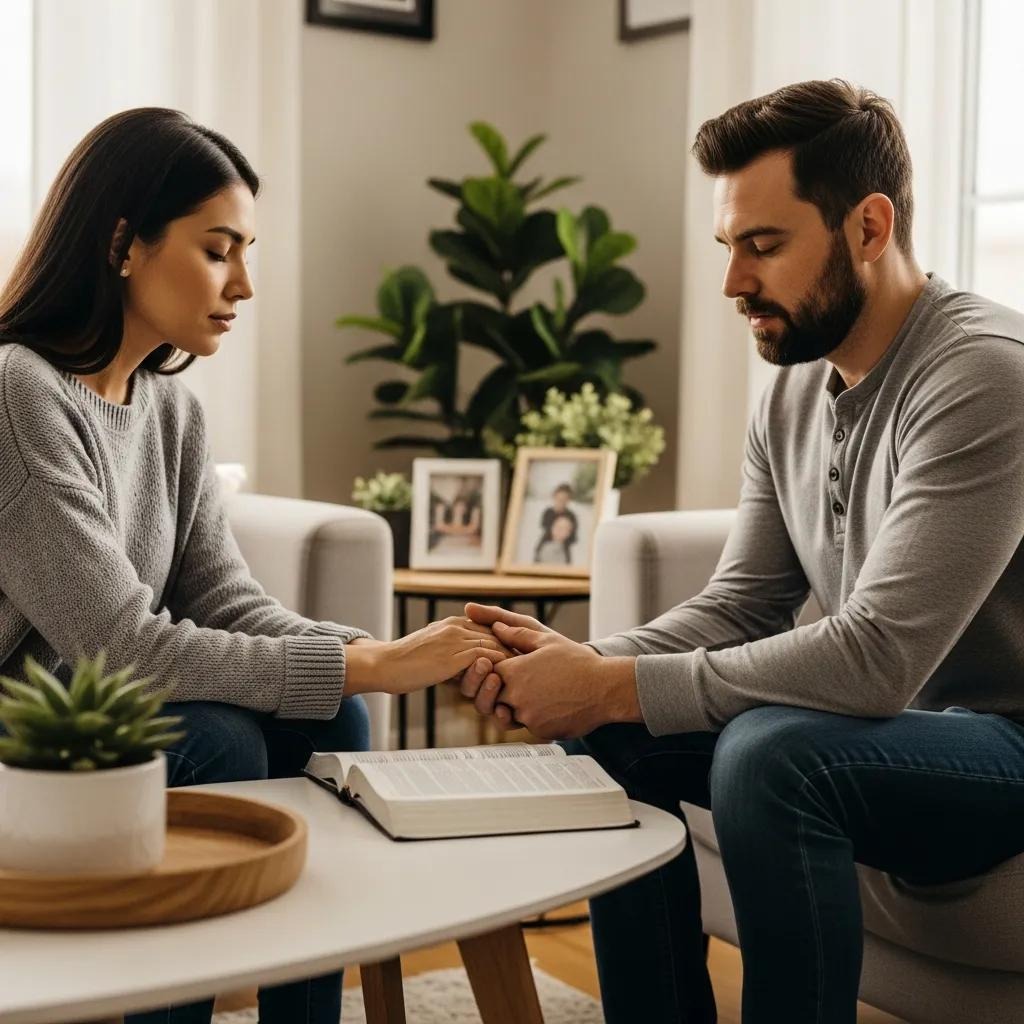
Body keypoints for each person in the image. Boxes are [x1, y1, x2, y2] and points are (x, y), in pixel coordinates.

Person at [457, 79, 1024, 1023]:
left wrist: (606, 682)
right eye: (729, 246)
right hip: (886, 738)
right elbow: (743, 602)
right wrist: (583, 666)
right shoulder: (796, 387)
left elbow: (878, 659)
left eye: (763, 246)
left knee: (770, 754)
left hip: (1001, 746)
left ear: (870, 228)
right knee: (611, 730)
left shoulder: (984, 376)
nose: (733, 281)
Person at [0, 107, 508, 1024]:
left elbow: (225, 598)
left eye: (247, 251)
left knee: (337, 715)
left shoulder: (169, 410)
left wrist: (380, 654)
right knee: (217, 738)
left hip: (100, 731)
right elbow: (122, 649)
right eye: (218, 249)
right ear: (123, 243)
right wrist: (375, 663)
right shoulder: (16, 392)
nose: (243, 283)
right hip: (21, 743)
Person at [533, 483, 578, 563]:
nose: (561, 502)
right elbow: (544, 527)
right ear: (554, 497)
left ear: (568, 500)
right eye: (559, 499)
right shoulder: (548, 512)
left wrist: (563, 537)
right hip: (545, 543)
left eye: (564, 499)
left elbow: (573, 537)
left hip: (563, 548)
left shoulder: (571, 516)